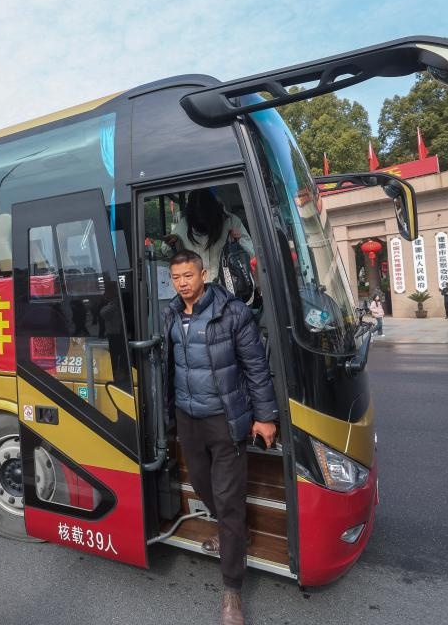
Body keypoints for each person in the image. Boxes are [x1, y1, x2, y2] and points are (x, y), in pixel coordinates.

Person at [163, 249, 278, 625]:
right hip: (188, 419)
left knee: (228, 500)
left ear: (203, 274)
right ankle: (235, 532)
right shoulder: (170, 313)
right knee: (201, 484)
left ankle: (232, 590)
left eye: (188, 276)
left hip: (225, 419)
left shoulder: (232, 312)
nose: (182, 283)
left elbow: (256, 366)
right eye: (176, 277)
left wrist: (264, 417)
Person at [162, 188, 254, 288]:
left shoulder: (231, 222)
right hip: (197, 290)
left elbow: (252, 253)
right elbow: (165, 251)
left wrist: (238, 242)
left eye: (204, 218)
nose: (201, 222)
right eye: (198, 220)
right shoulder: (184, 225)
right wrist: (173, 243)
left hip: (228, 288)